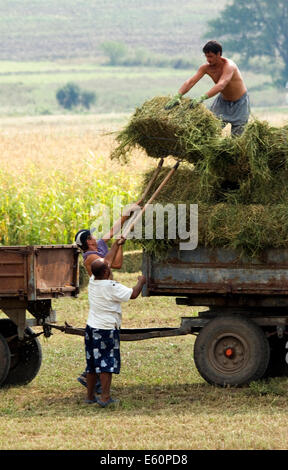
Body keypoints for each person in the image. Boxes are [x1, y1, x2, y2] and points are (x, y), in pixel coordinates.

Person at [75, 203, 140, 392]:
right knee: (102, 335)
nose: (95, 237)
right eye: (92, 236)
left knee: (100, 339)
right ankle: (91, 378)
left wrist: (126, 216)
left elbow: (116, 262)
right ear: (88, 241)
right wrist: (116, 246)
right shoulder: (90, 257)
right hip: (102, 293)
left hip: (107, 290)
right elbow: (108, 263)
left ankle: (91, 378)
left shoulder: (98, 246)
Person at [84, 259, 146, 407]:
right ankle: (105, 398)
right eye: (108, 269)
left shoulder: (92, 281)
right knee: (106, 363)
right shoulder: (112, 287)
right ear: (106, 272)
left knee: (91, 364)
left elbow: (105, 266)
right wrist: (141, 281)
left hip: (91, 327)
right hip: (106, 329)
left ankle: (90, 396)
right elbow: (133, 294)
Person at [165, 40, 250, 136]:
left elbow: (221, 85)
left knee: (238, 136)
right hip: (222, 102)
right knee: (210, 129)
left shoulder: (229, 66)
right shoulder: (206, 68)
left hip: (240, 103)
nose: (208, 60)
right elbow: (191, 81)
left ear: (218, 54)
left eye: (210, 56)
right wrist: (178, 95)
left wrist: (202, 97)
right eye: (206, 56)